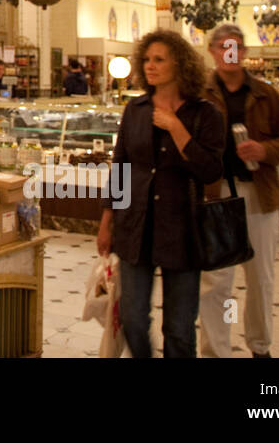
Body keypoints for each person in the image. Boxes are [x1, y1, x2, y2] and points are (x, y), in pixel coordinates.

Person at [96, 29, 225, 358]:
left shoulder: (205, 114)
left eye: (159, 59)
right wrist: (107, 219)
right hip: (136, 225)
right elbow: (121, 166)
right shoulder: (135, 110)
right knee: (133, 317)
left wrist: (177, 129)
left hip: (182, 228)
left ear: (179, 64)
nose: (150, 66)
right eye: (147, 60)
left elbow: (211, 170)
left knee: (180, 327)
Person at [197, 23, 279, 359]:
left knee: (260, 278)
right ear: (212, 50)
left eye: (236, 47)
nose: (230, 53)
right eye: (224, 46)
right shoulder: (200, 93)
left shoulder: (267, 95)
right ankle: (216, 349)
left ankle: (259, 345)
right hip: (217, 195)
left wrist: (264, 151)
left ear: (245, 53)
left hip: (259, 195)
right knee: (216, 281)